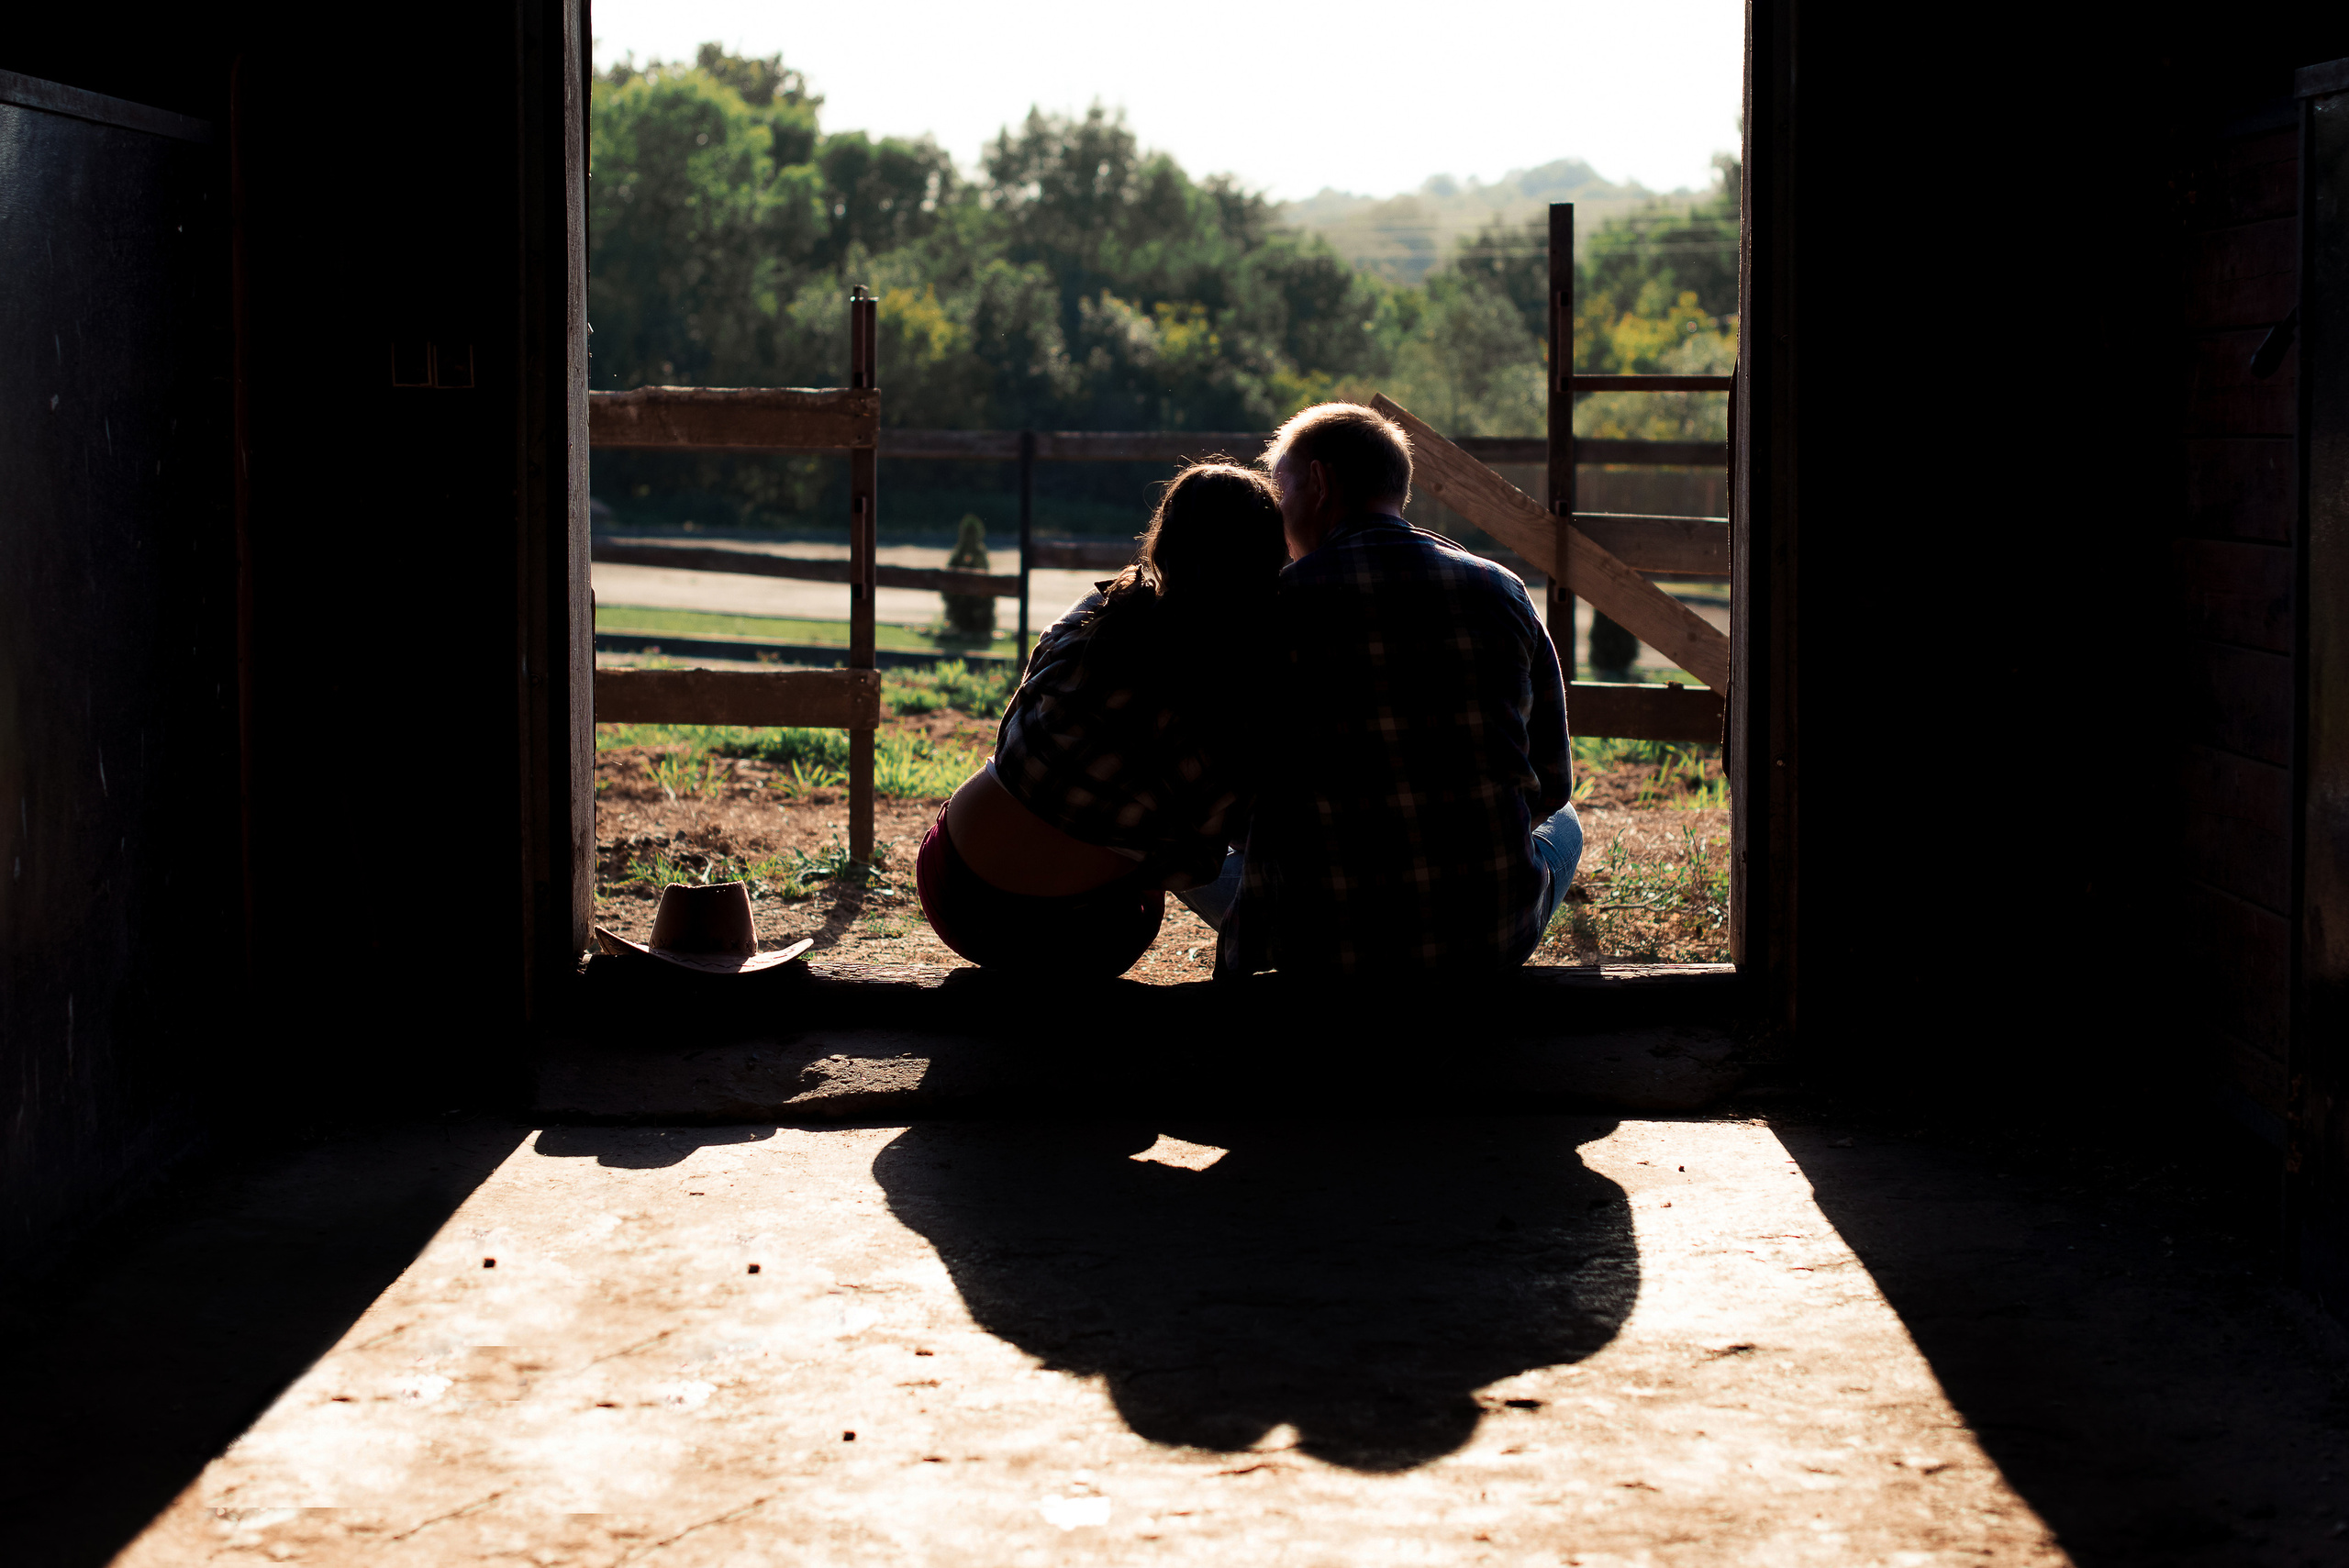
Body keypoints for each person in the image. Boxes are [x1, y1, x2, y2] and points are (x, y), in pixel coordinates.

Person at [1194, 403, 1581, 976]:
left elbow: (1220, 800)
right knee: (1567, 826)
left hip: (1315, 942)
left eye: (1282, 487)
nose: (1278, 508)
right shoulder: (1502, 591)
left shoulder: (1268, 609)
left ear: (1320, 482)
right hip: (1484, 936)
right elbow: (1551, 787)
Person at [917, 462, 1287, 975]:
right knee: (1160, 872)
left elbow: (1014, 724)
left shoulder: (1101, 608)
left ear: (1166, 537)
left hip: (947, 878)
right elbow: (1195, 859)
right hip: (1069, 933)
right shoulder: (1240, 687)